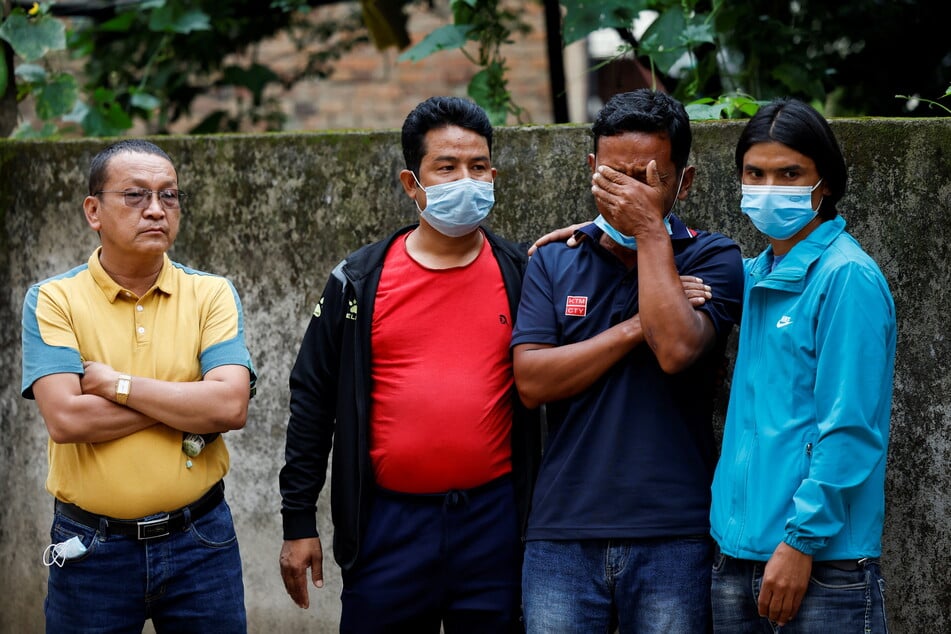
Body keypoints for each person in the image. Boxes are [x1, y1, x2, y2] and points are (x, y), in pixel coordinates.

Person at [278, 96, 541, 633]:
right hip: (387, 527)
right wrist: (298, 518)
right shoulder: (359, 280)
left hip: (495, 525)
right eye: (445, 167)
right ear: (410, 183)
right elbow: (312, 398)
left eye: (477, 167)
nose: (465, 180)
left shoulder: (523, 272)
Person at [511, 89, 745, 632]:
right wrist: (638, 324)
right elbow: (532, 381)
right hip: (562, 534)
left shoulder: (715, 257)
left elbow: (676, 349)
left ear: (683, 182)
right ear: (592, 170)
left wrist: (648, 232)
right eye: (613, 177)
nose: (627, 195)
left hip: (673, 533)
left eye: (646, 179)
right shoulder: (554, 259)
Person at [20, 139, 257, 632]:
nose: (156, 209)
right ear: (94, 210)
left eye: (169, 196)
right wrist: (187, 398)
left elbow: (231, 406)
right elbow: (67, 419)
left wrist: (117, 384)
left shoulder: (210, 293)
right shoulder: (53, 299)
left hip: (201, 541)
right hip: (91, 548)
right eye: (135, 196)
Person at [709, 98, 896, 632]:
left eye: (790, 173)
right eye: (756, 173)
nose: (770, 188)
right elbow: (668, 254)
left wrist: (800, 542)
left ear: (826, 183)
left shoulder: (846, 278)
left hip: (818, 565)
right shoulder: (755, 275)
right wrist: (589, 232)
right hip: (735, 556)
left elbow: (850, 428)